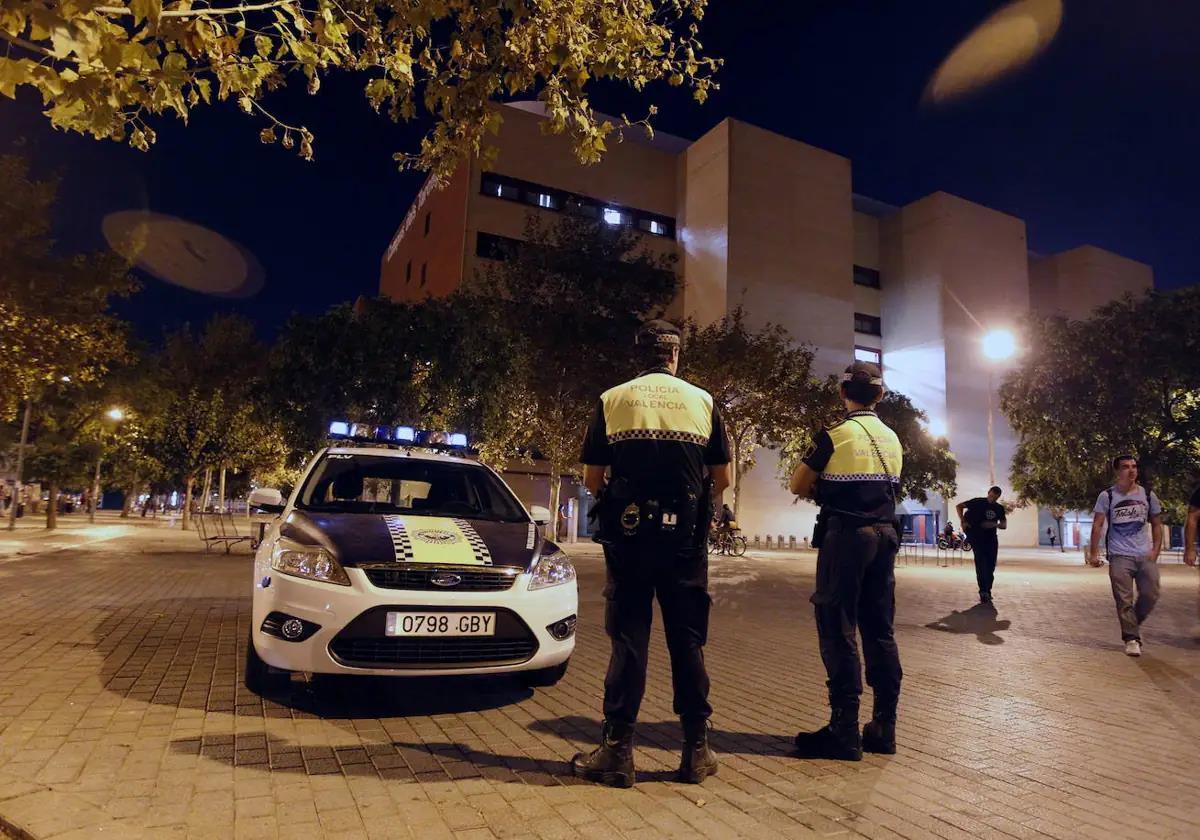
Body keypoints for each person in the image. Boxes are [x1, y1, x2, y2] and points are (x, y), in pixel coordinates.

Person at [573, 319, 731, 787]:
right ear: (676, 356)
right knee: (688, 642)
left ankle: (618, 751)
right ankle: (696, 751)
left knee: (629, 641)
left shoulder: (613, 399)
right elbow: (721, 477)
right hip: (685, 542)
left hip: (629, 540)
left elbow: (591, 477)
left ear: (639, 355)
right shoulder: (703, 401)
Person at [788, 361, 903, 761]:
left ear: (843, 392)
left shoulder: (834, 436)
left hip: (848, 538)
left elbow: (798, 483)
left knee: (837, 626)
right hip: (886, 537)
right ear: (881, 395)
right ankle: (884, 726)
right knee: (880, 631)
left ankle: (843, 730)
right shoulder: (892, 438)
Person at [1087, 455, 1163, 657]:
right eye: (1125, 467)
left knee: (1151, 594)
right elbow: (1097, 524)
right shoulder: (1107, 496)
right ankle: (1131, 638)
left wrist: (1155, 550)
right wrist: (1094, 552)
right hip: (1119, 555)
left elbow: (1156, 523)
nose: (1131, 470)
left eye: (1134, 466)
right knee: (1124, 599)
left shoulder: (1147, 495)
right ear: (1117, 471)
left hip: (1144, 554)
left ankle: (1132, 625)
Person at [956, 487, 1007, 604]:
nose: (992, 499)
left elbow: (1004, 524)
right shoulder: (977, 502)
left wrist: (993, 524)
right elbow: (959, 506)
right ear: (988, 493)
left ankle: (988, 589)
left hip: (991, 539)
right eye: (991, 496)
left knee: (991, 566)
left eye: (995, 497)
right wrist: (963, 521)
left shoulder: (999, 508)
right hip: (977, 537)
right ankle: (983, 591)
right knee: (980, 563)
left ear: (998, 497)